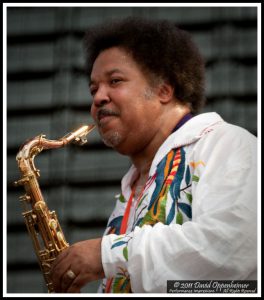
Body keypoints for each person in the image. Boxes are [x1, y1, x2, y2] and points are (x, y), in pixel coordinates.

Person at [50, 17, 257, 293]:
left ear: (164, 90)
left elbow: (232, 251)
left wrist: (106, 255)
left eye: (115, 81)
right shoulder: (130, 192)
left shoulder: (228, 143)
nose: (98, 98)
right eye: (93, 89)